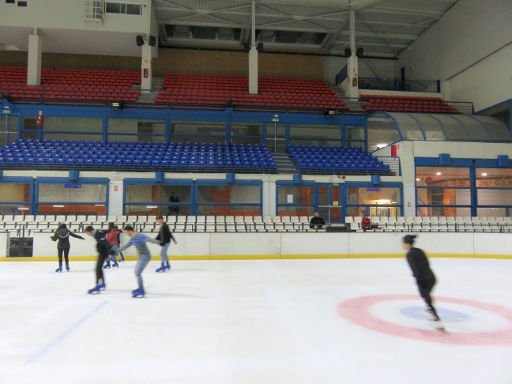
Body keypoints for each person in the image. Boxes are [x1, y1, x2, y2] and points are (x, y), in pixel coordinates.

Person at [402, 235, 445, 332]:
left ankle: (438, 321)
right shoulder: (420, 251)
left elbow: (415, 270)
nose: (402, 245)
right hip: (432, 278)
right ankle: (430, 311)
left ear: (406, 244)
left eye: (403, 243)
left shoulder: (409, 254)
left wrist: (418, 280)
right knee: (427, 297)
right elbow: (427, 263)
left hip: (423, 280)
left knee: (427, 299)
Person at [117, 225, 160, 298]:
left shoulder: (140, 236)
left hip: (146, 256)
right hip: (141, 257)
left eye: (126, 232)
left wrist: (161, 242)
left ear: (130, 231)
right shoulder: (132, 239)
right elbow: (125, 247)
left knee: (137, 272)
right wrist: (114, 251)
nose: (126, 234)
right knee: (137, 272)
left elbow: (151, 240)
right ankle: (140, 288)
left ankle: (141, 290)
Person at [84, 226, 112, 294]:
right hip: (103, 252)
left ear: (90, 231)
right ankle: (102, 283)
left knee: (97, 268)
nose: (88, 235)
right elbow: (106, 232)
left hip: (103, 253)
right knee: (99, 268)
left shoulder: (97, 234)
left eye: (87, 233)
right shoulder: (98, 232)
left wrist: (110, 249)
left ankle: (98, 285)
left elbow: (105, 242)